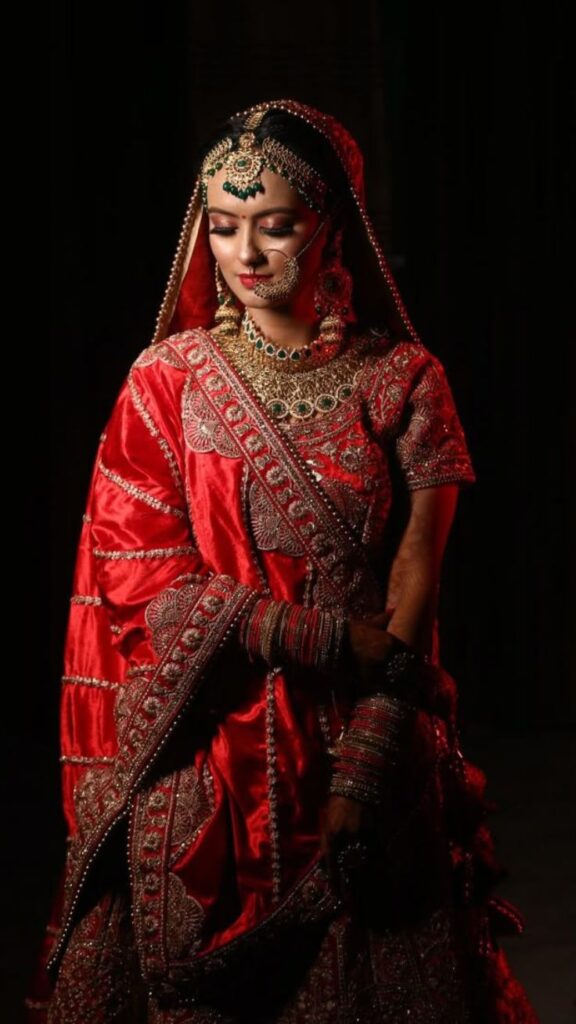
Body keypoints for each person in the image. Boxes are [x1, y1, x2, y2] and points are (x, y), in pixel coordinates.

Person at [27, 98, 539, 1023]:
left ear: (331, 224)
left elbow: (418, 570)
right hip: (206, 760)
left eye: (276, 225)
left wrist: (376, 751)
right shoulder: (167, 382)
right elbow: (139, 574)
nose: (247, 253)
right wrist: (327, 637)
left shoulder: (405, 380)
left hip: (363, 739)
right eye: (223, 228)